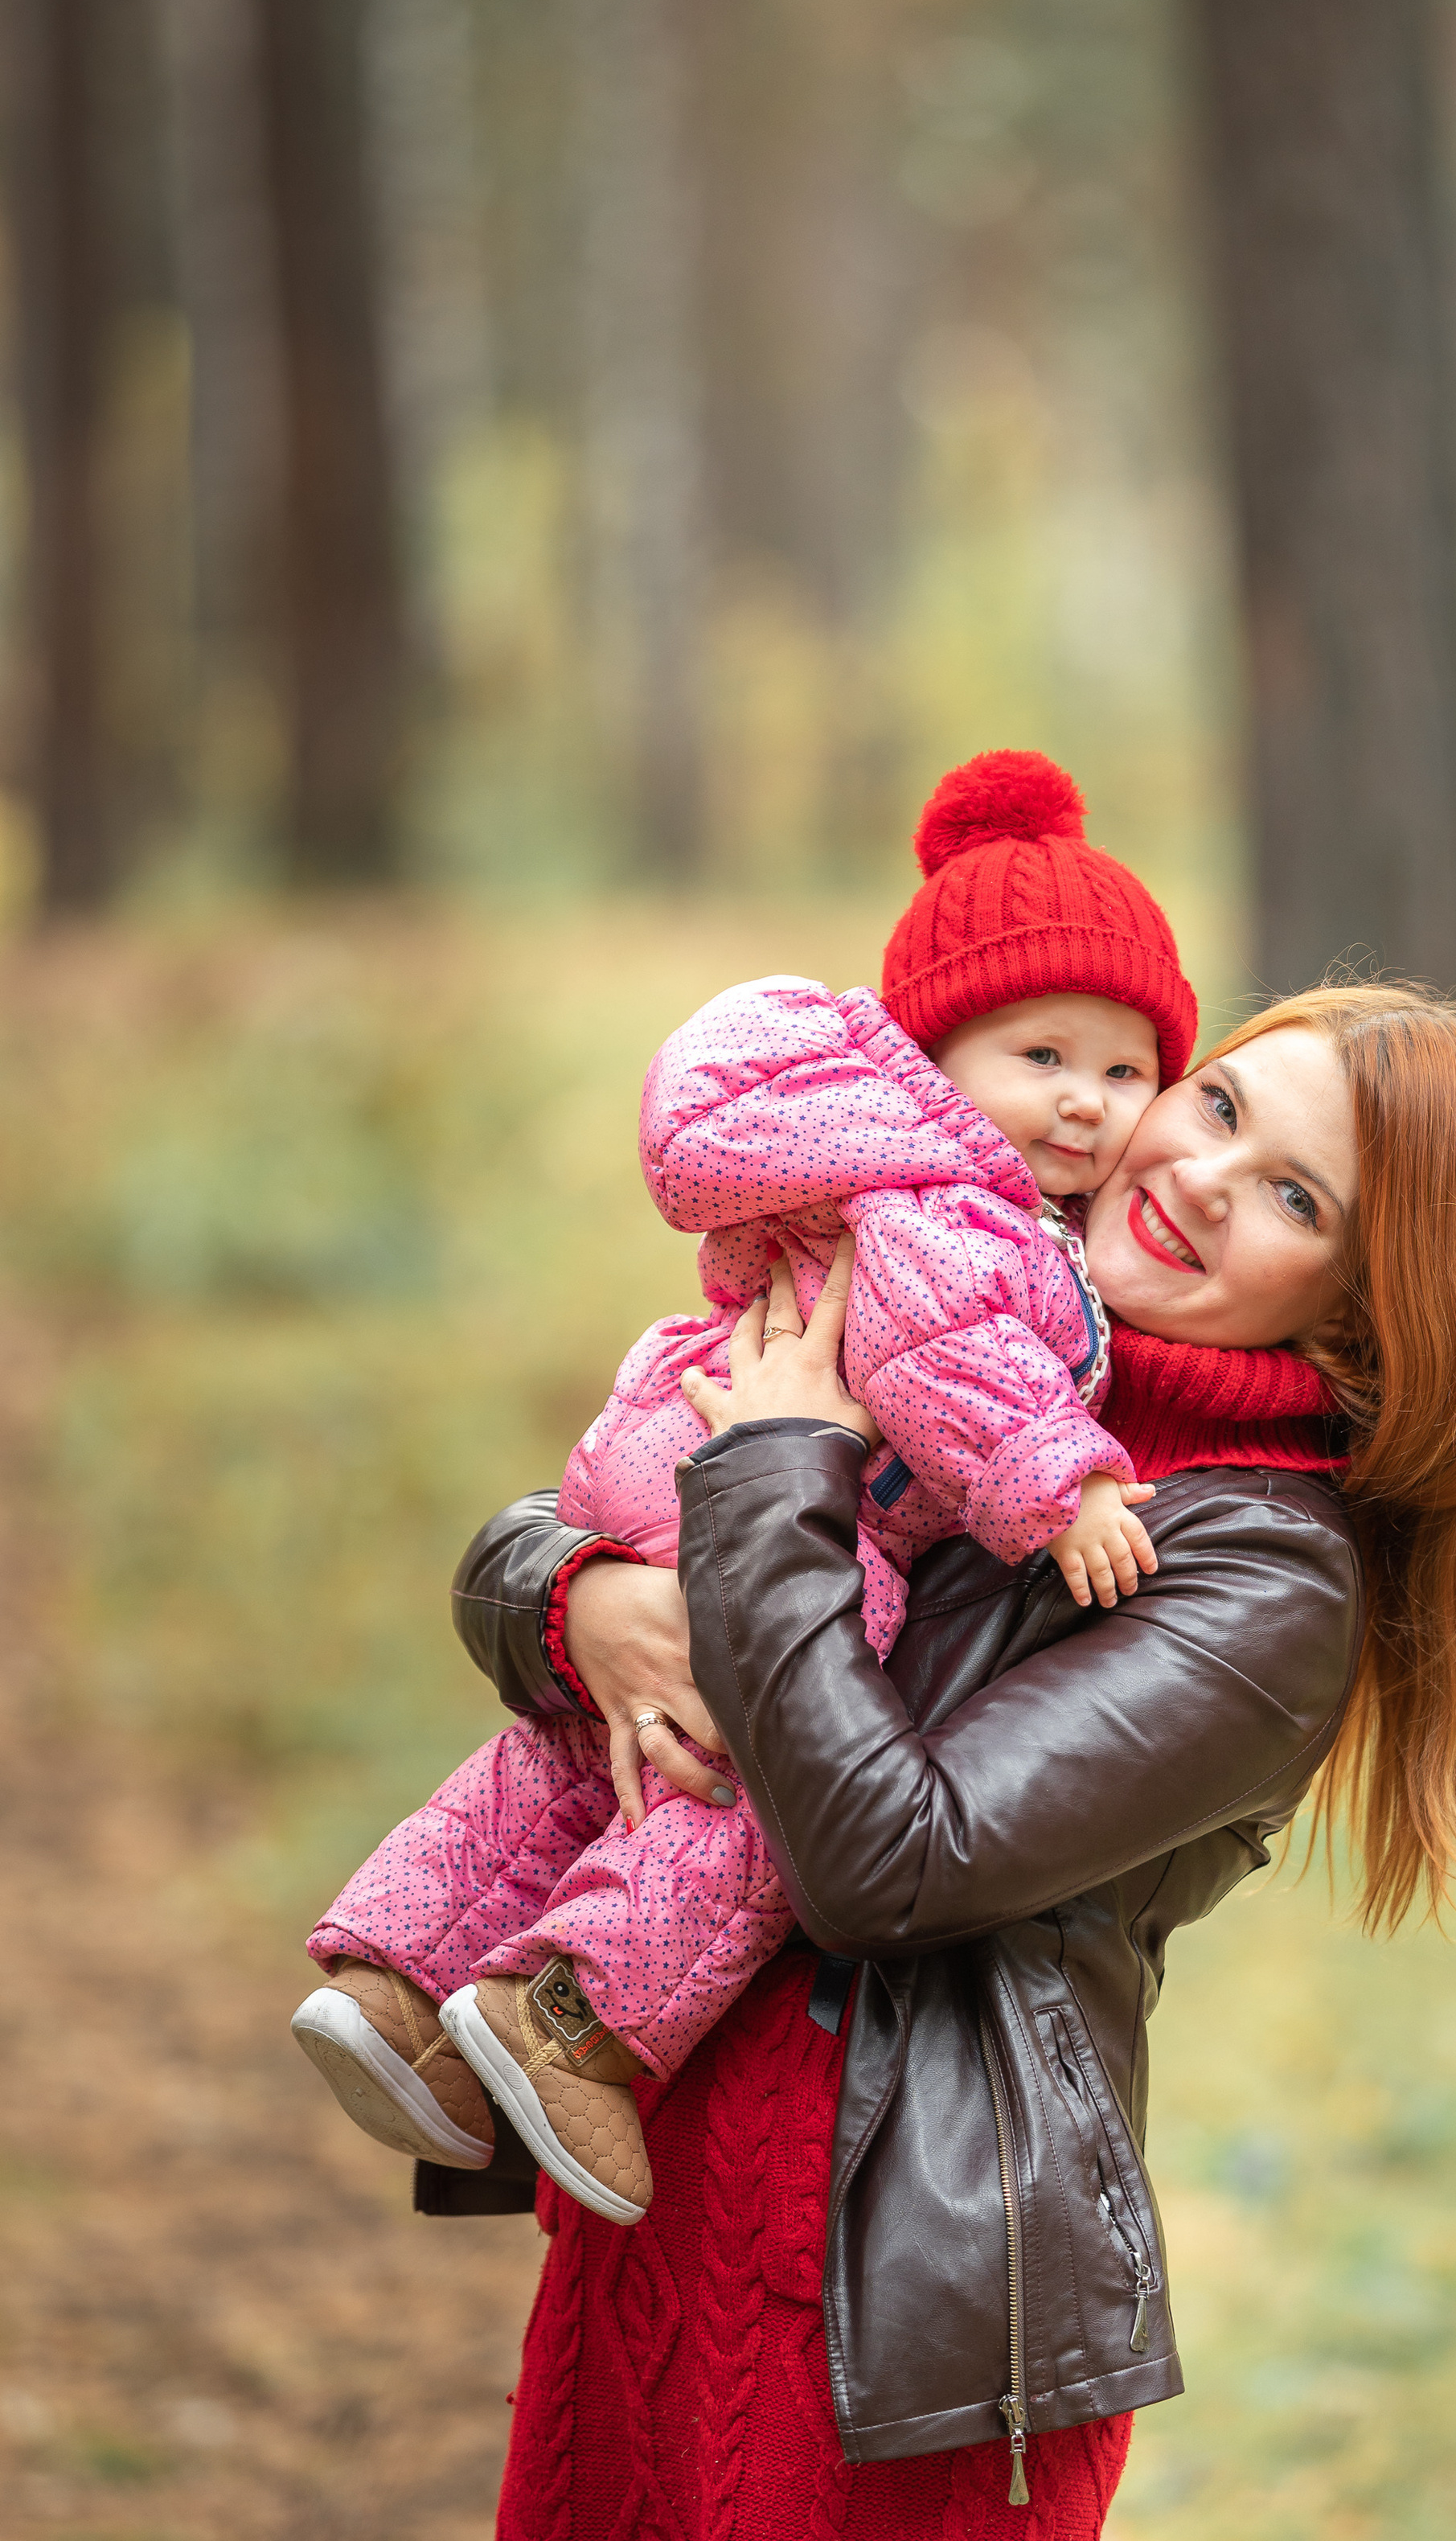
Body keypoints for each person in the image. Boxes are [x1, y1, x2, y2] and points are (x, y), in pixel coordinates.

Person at [449, 975, 1456, 2541]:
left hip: (910, 2320)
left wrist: (779, 1473)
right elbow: (580, 1522)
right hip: (662, 2189)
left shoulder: (1262, 1579)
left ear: (1360, 1317)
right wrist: (577, 1600)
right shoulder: (984, 1331)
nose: (1198, 1175)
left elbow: (892, 1857)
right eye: (1218, 1108)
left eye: (1296, 1199)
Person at [291, 753, 1196, 2230]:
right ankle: (574, 2018)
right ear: (934, 1056)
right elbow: (945, 1354)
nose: (1089, 1107)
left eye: (1124, 1070)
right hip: (774, 1474)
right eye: (1042, 1059)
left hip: (669, 1450)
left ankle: (396, 1976)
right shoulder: (951, 1201)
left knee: (599, 1749)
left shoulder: (894, 1171)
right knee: (767, 1758)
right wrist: (1067, 1484)